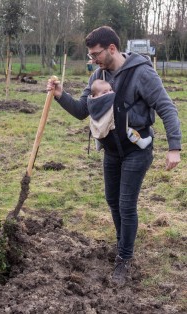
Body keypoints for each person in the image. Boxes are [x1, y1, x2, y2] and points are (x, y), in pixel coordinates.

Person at [47, 26, 181, 285]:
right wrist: (60, 95)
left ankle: (124, 259)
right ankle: (123, 244)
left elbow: (166, 107)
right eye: (90, 56)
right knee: (112, 201)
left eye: (96, 54)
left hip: (136, 150)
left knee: (126, 204)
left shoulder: (142, 73)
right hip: (111, 151)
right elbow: (82, 110)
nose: (93, 60)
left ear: (112, 48)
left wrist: (174, 147)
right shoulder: (97, 75)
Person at [89, 79, 152, 150]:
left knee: (96, 128)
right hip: (112, 129)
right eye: (105, 92)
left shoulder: (92, 104)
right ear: (95, 96)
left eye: (110, 90)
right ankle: (140, 142)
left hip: (99, 130)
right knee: (128, 130)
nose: (110, 93)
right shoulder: (109, 103)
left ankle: (99, 144)